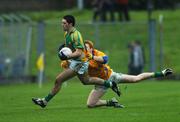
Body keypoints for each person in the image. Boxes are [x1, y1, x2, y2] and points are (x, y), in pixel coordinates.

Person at [32, 15, 120, 108]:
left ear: (70, 24)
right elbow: (70, 48)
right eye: (62, 23)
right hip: (76, 61)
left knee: (59, 80)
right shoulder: (66, 34)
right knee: (86, 81)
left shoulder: (76, 35)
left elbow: (79, 52)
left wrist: (66, 56)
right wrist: (64, 50)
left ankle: (44, 101)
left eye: (64, 23)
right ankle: (110, 84)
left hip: (80, 63)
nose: (62, 25)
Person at [61, 40, 173, 108]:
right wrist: (66, 61)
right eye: (83, 48)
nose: (85, 49)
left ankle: (161, 73)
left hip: (111, 76)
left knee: (135, 79)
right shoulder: (81, 57)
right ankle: (112, 102)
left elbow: (105, 59)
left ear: (91, 48)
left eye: (87, 47)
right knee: (90, 104)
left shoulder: (96, 53)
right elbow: (72, 64)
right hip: (101, 84)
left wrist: (92, 57)